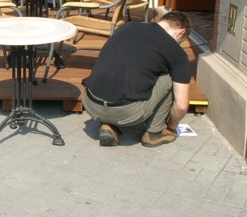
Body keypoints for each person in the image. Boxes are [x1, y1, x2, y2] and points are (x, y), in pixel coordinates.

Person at [81, 11, 192, 148]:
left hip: (91, 104)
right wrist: (171, 126)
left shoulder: (127, 27)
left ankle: (108, 124)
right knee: (171, 78)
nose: (178, 44)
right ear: (180, 32)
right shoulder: (177, 52)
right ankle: (154, 133)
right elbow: (181, 106)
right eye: (180, 41)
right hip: (128, 113)